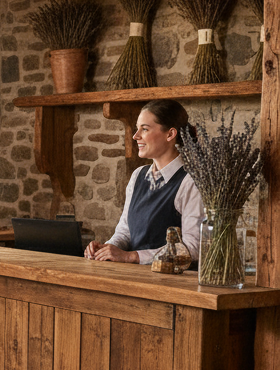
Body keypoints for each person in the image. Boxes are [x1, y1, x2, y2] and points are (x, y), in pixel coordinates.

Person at [84, 99, 204, 264]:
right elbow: (125, 231)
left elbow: (193, 248)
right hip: (136, 278)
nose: (135, 136)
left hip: (171, 283)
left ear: (170, 134)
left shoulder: (191, 181)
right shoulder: (138, 175)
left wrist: (131, 256)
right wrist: (106, 249)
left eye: (145, 129)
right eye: (137, 129)